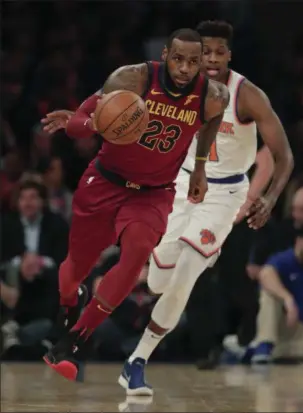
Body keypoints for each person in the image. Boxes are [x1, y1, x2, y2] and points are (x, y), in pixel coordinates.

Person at [41, 28, 230, 381]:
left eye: (194, 61)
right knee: (73, 273)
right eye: (178, 59)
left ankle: (73, 340)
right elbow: (77, 125)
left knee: (137, 252)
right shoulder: (132, 77)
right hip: (105, 183)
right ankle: (71, 301)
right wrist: (92, 122)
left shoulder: (213, 96)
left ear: (202, 61)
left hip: (153, 192)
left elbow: (211, 123)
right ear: (164, 54)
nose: (186, 68)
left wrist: (200, 167)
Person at [117, 20, 293, 396]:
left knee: (186, 274)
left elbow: (284, 156)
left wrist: (270, 197)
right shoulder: (180, 87)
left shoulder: (247, 95)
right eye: (205, 53)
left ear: (229, 55)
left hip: (225, 194)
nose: (211, 60)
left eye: (219, 52)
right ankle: (183, 254)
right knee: (158, 280)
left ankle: (136, 361)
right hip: (180, 184)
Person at [251, 226, 303, 363]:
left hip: (297, 328)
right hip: (277, 322)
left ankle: (260, 349)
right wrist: (288, 298)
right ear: (299, 241)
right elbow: (265, 274)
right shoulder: (285, 259)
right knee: (269, 294)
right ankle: (264, 344)